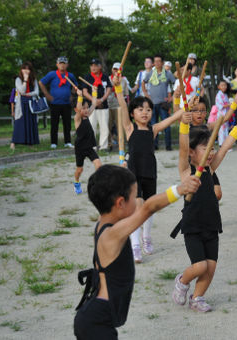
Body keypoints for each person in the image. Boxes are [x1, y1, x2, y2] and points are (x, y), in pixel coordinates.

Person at [73, 165, 200, 339]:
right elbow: (148, 208)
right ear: (120, 203)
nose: (137, 202)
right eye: (135, 197)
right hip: (97, 322)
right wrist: (180, 189)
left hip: (96, 319)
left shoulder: (105, 223)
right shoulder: (111, 235)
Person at [171, 110, 237, 313]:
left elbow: (223, 150)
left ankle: (197, 298)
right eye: (206, 148)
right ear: (192, 152)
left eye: (211, 147)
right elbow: (182, 149)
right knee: (199, 266)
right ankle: (182, 281)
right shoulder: (187, 171)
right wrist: (184, 126)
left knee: (211, 267)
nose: (211, 152)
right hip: (193, 226)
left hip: (211, 225)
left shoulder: (210, 170)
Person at [115, 76, 185, 263]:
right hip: (134, 173)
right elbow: (122, 106)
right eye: (140, 109)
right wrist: (118, 90)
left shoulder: (153, 130)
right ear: (132, 114)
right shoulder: (129, 128)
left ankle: (147, 238)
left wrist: (186, 107)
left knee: (150, 207)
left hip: (150, 172)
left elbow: (172, 118)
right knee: (138, 207)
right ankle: (135, 245)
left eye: (148, 110)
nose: (145, 113)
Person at [39, 56, 78, 149]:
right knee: (54, 123)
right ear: (57, 64)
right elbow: (41, 82)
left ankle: (67, 142)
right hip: (55, 103)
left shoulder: (70, 75)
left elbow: (75, 84)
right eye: (60, 63)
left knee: (67, 124)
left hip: (66, 103)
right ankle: (53, 142)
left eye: (64, 64)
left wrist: (72, 94)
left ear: (67, 65)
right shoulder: (52, 74)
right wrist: (46, 94)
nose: (62, 65)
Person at [142, 54, 176, 150]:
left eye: (159, 61)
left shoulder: (168, 73)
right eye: (155, 61)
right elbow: (143, 82)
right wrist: (146, 94)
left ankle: (168, 146)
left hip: (163, 104)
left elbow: (176, 83)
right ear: (153, 63)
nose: (157, 63)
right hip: (152, 104)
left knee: (166, 125)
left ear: (162, 63)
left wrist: (172, 97)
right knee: (153, 125)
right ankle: (154, 145)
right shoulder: (151, 73)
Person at [73, 88, 102, 194]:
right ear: (77, 110)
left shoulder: (87, 115)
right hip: (80, 148)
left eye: (86, 108)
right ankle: (76, 182)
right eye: (83, 108)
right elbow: (79, 107)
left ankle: (98, 184)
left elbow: (94, 104)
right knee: (79, 170)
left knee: (98, 164)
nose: (85, 110)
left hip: (89, 147)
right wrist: (80, 96)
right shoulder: (77, 119)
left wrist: (94, 92)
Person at [80, 59, 112, 151]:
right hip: (91, 106)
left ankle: (103, 146)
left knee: (104, 126)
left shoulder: (105, 77)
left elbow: (109, 89)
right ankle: (92, 146)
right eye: (91, 65)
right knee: (91, 126)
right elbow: (85, 92)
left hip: (103, 105)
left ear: (100, 66)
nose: (93, 67)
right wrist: (94, 101)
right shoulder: (87, 77)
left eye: (95, 65)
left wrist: (101, 99)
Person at [10, 62, 40, 151]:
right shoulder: (18, 80)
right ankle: (13, 142)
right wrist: (25, 80)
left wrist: (28, 94)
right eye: (24, 68)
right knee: (19, 122)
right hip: (21, 103)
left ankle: (30, 142)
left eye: (28, 69)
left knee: (31, 122)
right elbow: (21, 90)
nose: (26, 71)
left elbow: (36, 92)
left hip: (31, 103)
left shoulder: (34, 80)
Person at [107, 62, 130, 150]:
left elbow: (127, 94)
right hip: (109, 105)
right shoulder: (108, 79)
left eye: (118, 69)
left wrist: (127, 105)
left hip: (119, 106)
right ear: (112, 70)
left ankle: (123, 144)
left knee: (121, 125)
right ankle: (109, 144)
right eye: (114, 69)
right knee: (108, 126)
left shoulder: (124, 80)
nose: (116, 71)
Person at [215, 80, 231, 146]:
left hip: (226, 113)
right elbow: (220, 105)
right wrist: (229, 104)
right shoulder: (219, 95)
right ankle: (221, 144)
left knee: (226, 128)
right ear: (218, 87)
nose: (224, 87)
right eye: (222, 85)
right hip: (221, 114)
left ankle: (226, 144)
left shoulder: (225, 95)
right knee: (222, 129)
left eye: (225, 85)